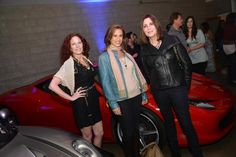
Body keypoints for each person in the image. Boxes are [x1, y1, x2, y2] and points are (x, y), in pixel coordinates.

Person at [139, 14, 204, 157]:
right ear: (143, 30)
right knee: (168, 124)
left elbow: (186, 64)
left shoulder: (171, 40)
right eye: (145, 26)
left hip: (178, 90)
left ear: (156, 25)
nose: (148, 28)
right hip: (160, 92)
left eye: (150, 24)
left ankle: (197, 153)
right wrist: (156, 86)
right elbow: (148, 73)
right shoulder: (144, 49)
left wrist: (184, 87)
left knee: (186, 124)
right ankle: (175, 153)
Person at [98, 24, 148, 157]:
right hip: (122, 101)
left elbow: (136, 75)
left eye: (120, 35)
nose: (118, 39)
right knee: (128, 132)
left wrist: (143, 93)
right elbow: (106, 83)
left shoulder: (126, 53)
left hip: (136, 97)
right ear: (109, 37)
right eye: (115, 36)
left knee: (136, 131)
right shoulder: (104, 58)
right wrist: (113, 104)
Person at [49, 33, 103, 147]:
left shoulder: (84, 58)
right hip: (82, 103)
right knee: (88, 136)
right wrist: (71, 97)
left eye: (79, 42)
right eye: (73, 44)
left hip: (93, 99)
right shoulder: (69, 64)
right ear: (69, 48)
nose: (77, 46)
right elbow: (52, 85)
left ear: (83, 44)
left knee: (99, 133)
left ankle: (96, 154)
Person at [223, 13, 236, 85]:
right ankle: (233, 79)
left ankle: (230, 79)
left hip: (225, 46)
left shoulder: (226, 26)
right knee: (233, 64)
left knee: (230, 64)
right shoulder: (232, 27)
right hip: (231, 47)